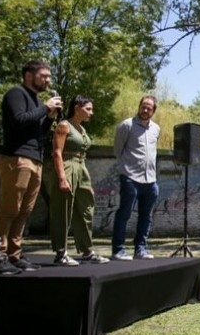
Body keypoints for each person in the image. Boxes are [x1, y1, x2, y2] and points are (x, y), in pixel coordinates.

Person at [0, 60, 63, 275]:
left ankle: (14, 255)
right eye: (44, 76)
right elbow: (18, 121)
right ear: (28, 75)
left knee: (24, 211)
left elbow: (35, 133)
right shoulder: (15, 94)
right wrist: (45, 108)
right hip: (17, 158)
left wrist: (48, 118)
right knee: (9, 209)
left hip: (35, 159)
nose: (48, 80)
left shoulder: (35, 100)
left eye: (49, 77)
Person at [46, 96, 109, 266]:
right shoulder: (64, 125)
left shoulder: (81, 129)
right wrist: (61, 178)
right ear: (77, 107)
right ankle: (61, 253)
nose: (91, 113)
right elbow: (57, 152)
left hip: (81, 168)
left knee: (86, 209)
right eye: (88, 109)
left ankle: (87, 251)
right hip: (67, 166)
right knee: (63, 209)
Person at [111, 95, 161, 260]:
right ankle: (118, 250)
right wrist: (127, 168)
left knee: (146, 216)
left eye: (149, 108)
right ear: (139, 106)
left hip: (151, 180)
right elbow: (118, 151)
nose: (145, 110)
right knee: (124, 214)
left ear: (153, 110)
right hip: (130, 178)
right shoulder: (126, 125)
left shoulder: (156, 129)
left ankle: (140, 249)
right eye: (143, 106)